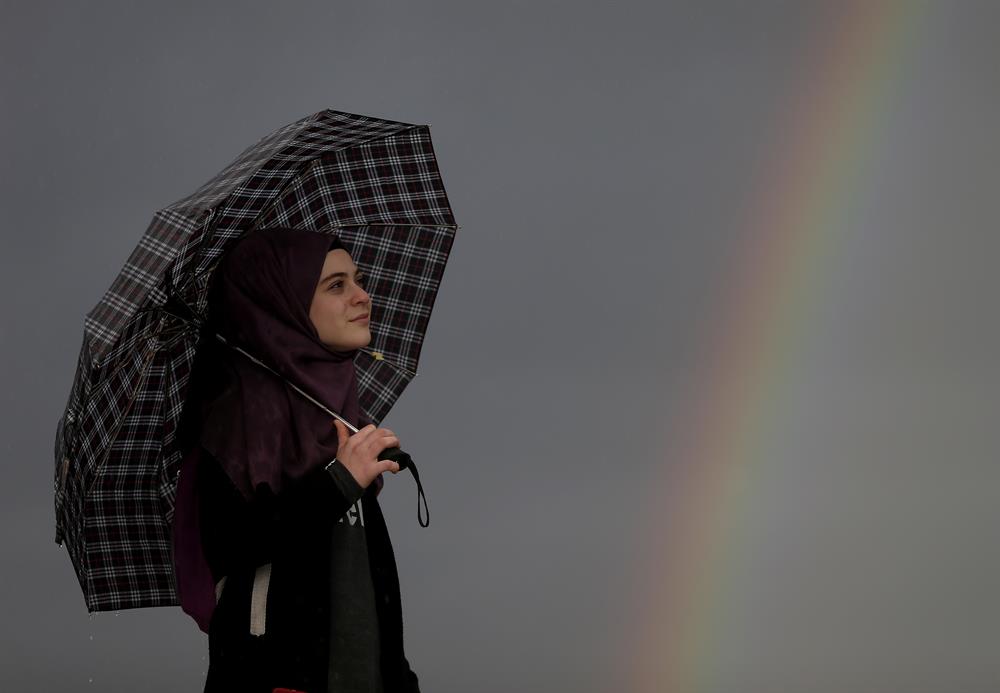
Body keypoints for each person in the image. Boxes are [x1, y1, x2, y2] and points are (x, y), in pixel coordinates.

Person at [172, 227, 421, 693]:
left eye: (358, 279)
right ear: (280, 306)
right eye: (336, 285)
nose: (362, 297)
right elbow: (236, 545)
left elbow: (373, 592)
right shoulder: (233, 421)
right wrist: (339, 482)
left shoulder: (342, 418)